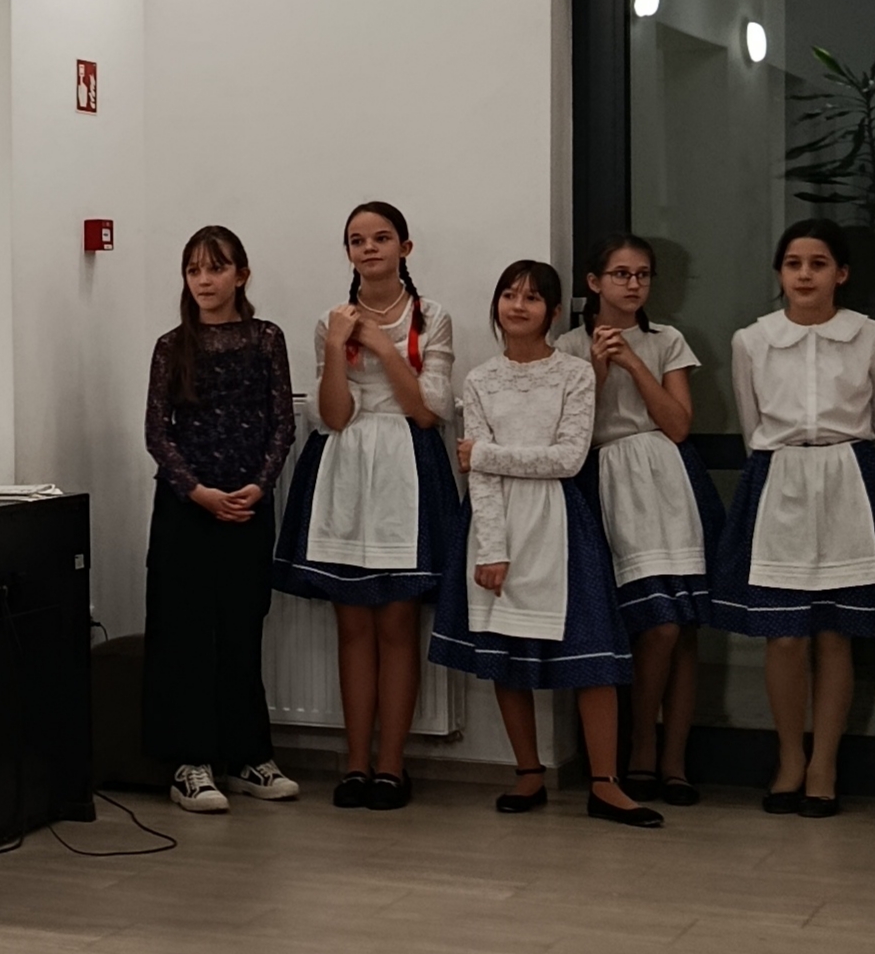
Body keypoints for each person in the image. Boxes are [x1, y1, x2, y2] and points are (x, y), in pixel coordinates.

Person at [430, 259, 655, 826]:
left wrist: (485, 453)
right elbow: (479, 480)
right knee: (507, 653)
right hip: (496, 523)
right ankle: (528, 771)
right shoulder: (480, 379)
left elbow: (568, 458)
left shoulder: (575, 374)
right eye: (509, 295)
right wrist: (491, 548)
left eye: (532, 298)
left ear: (553, 312)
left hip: (560, 521)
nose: (518, 306)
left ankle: (605, 783)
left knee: (592, 657)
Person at [273, 200, 456, 810]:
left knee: (398, 623)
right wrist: (336, 346)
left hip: (408, 465)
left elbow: (428, 410)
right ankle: (354, 764)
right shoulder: (332, 321)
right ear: (348, 252)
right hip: (345, 468)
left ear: (405, 247)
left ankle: (392, 766)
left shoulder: (432, 316)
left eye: (381, 238)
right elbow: (332, 414)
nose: (369, 248)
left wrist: (381, 346)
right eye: (357, 240)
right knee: (351, 624)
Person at [712, 218, 875, 816]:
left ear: (842, 273)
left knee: (834, 633)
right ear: (780, 273)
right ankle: (789, 759)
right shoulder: (752, 340)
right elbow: (750, 422)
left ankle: (824, 765)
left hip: (849, 480)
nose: (804, 275)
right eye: (793, 264)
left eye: (818, 263)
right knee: (783, 635)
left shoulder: (868, 336)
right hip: (779, 479)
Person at [557, 235, 723, 807]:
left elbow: (678, 424)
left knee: (682, 628)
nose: (633, 284)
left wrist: (632, 360)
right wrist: (599, 369)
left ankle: (673, 759)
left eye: (643, 275)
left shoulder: (665, 339)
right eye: (621, 274)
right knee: (654, 624)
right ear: (594, 282)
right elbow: (572, 430)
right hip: (607, 478)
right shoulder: (568, 344)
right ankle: (639, 746)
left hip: (669, 479)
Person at [143, 224, 298, 813]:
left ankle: (249, 757)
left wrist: (260, 485)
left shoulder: (266, 338)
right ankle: (191, 763)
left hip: (248, 505)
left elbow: (282, 423)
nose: (204, 281)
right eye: (194, 270)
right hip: (187, 509)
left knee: (241, 631)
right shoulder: (171, 346)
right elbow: (157, 434)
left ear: (241, 275)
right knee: (186, 635)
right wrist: (199, 492)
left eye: (216, 268)